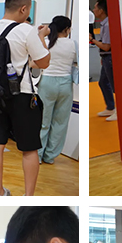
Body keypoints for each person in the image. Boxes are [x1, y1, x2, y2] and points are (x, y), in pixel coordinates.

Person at [0, 0, 51, 197]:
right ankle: (28, 197)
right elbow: (44, 62)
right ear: (23, 8)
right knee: (29, 148)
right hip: (22, 96)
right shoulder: (26, 30)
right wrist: (41, 36)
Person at [37, 15, 77, 165]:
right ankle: (50, 156)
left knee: (42, 121)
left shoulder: (47, 42)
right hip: (65, 83)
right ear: (67, 29)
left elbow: (39, 57)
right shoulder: (73, 44)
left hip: (47, 82)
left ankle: (38, 155)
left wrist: (41, 35)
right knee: (60, 122)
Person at [91, 0, 116, 121]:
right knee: (103, 82)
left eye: (95, 8)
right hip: (106, 57)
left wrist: (92, 40)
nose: (94, 10)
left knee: (114, 85)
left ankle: (119, 110)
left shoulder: (107, 25)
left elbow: (106, 46)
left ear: (101, 10)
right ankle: (110, 107)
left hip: (110, 58)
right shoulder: (104, 24)